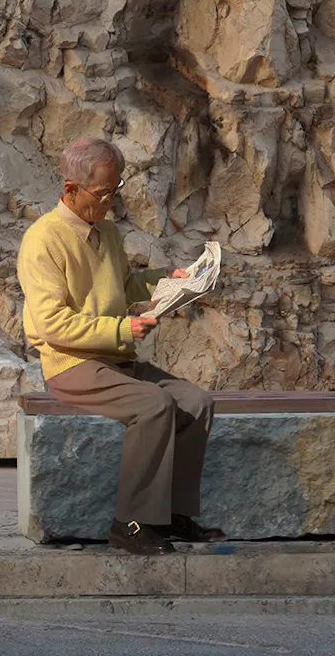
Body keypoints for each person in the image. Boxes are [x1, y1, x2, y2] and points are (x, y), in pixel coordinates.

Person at [17, 137, 218, 551]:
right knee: (153, 405)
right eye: (102, 193)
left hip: (116, 360)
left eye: (116, 190)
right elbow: (52, 324)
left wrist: (170, 280)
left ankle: (174, 516)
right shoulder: (43, 239)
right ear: (70, 189)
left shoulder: (105, 231)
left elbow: (124, 286)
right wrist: (123, 331)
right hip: (71, 363)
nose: (110, 202)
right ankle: (131, 524)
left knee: (197, 402)